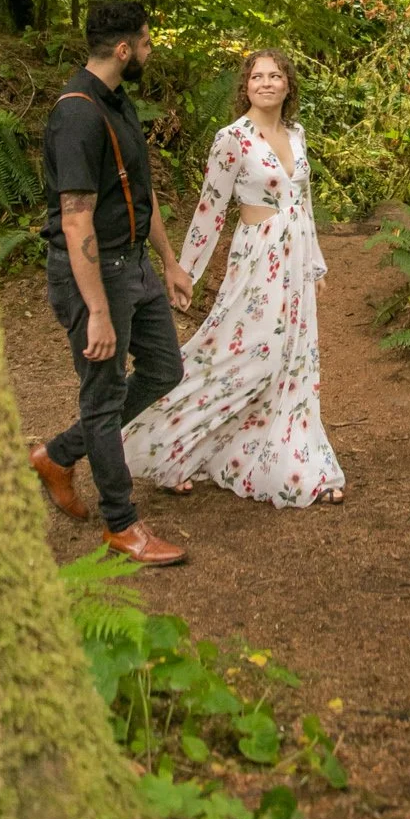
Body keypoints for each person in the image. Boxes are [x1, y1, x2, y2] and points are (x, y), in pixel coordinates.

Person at [122, 48, 346, 507]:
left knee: (294, 361)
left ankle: (299, 463)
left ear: (288, 85)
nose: (266, 82)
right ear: (245, 86)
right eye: (257, 76)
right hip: (259, 260)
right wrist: (185, 272)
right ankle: (165, 444)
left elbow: (302, 206)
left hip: (296, 261)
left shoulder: (298, 135)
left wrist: (317, 264)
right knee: (241, 357)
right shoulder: (233, 139)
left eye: (275, 75)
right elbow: (209, 211)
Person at [29, 0, 194, 564]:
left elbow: (139, 193)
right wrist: (96, 308)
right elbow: (76, 219)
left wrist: (169, 261)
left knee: (165, 369)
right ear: (123, 49)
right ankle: (121, 524)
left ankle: (58, 455)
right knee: (101, 397)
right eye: (146, 41)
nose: (150, 48)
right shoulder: (76, 114)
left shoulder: (120, 103)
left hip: (136, 267)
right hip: (94, 276)